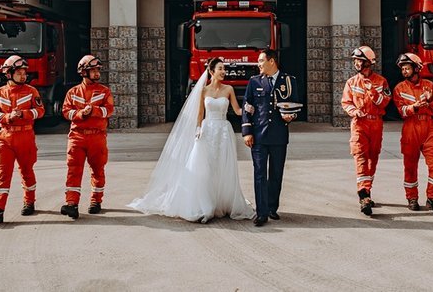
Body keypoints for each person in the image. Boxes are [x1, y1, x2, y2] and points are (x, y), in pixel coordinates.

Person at [128, 57, 254, 223]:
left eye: (224, 69)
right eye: (221, 69)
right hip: (208, 130)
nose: (224, 72)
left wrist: (248, 109)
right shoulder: (203, 91)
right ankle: (205, 204)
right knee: (204, 167)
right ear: (211, 72)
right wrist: (198, 129)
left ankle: (222, 202)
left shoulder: (229, 89)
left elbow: (237, 111)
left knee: (223, 166)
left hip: (223, 131)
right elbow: (200, 114)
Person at [0, 55, 45, 224]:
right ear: (9, 74)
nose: (23, 76)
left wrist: (24, 114)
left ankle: (29, 201)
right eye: (19, 73)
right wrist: (7, 117)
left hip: (25, 136)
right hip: (5, 137)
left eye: (24, 72)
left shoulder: (32, 91)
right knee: (3, 173)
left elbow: (40, 111)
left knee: (26, 171)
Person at [242, 49, 300, 227]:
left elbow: (295, 105)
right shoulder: (254, 82)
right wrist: (247, 131)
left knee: (276, 173)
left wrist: (291, 117)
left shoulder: (289, 81)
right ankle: (261, 212)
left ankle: (272, 207)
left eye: (261, 60)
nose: (258, 64)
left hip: (279, 135)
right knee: (259, 174)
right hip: (258, 136)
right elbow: (247, 107)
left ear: (272, 61)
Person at [60, 55, 114, 220]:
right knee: (73, 170)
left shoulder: (105, 91)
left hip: (97, 137)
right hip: (77, 136)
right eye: (93, 70)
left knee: (97, 170)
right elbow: (65, 112)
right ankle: (71, 204)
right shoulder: (73, 92)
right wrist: (80, 114)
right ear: (84, 72)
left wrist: (95, 111)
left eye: (98, 70)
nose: (97, 73)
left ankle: (95, 201)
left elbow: (109, 110)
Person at [392, 53, 433, 215]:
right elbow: (401, 111)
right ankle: (412, 198)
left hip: (429, 127)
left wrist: (430, 100)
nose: (405, 71)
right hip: (411, 127)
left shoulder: (430, 85)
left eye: (407, 68)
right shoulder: (399, 88)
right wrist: (414, 107)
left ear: (417, 68)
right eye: (403, 69)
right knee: (410, 166)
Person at [341, 46, 391, 216]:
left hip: (375, 123)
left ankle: (367, 190)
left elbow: (384, 102)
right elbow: (346, 102)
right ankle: (363, 195)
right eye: (355, 60)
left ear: (369, 62)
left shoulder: (381, 82)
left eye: (359, 60)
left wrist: (372, 91)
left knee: (373, 158)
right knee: (360, 156)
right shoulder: (351, 82)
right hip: (359, 124)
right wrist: (354, 112)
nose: (356, 63)